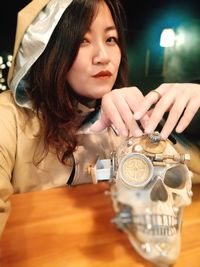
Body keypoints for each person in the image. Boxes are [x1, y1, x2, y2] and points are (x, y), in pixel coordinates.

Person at [0, 0, 200, 238]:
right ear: (46, 48)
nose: (103, 57)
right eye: (82, 40)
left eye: (111, 39)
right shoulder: (9, 115)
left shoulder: (126, 117)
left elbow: (183, 184)